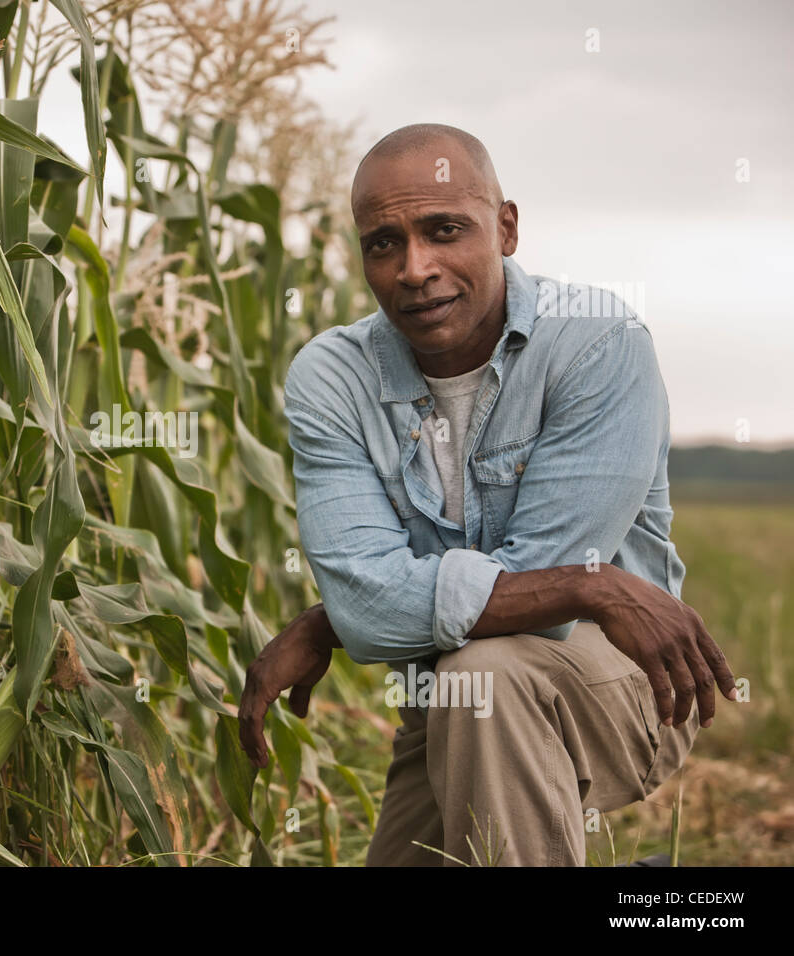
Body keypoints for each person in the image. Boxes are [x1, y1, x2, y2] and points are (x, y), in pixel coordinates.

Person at [237, 123, 737, 866]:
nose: (415, 268)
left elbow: (526, 591)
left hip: (627, 688)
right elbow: (373, 596)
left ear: (505, 228)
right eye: (384, 243)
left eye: (444, 230)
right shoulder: (331, 377)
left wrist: (336, 622)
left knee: (489, 671)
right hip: (447, 704)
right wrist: (588, 584)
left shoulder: (598, 344)